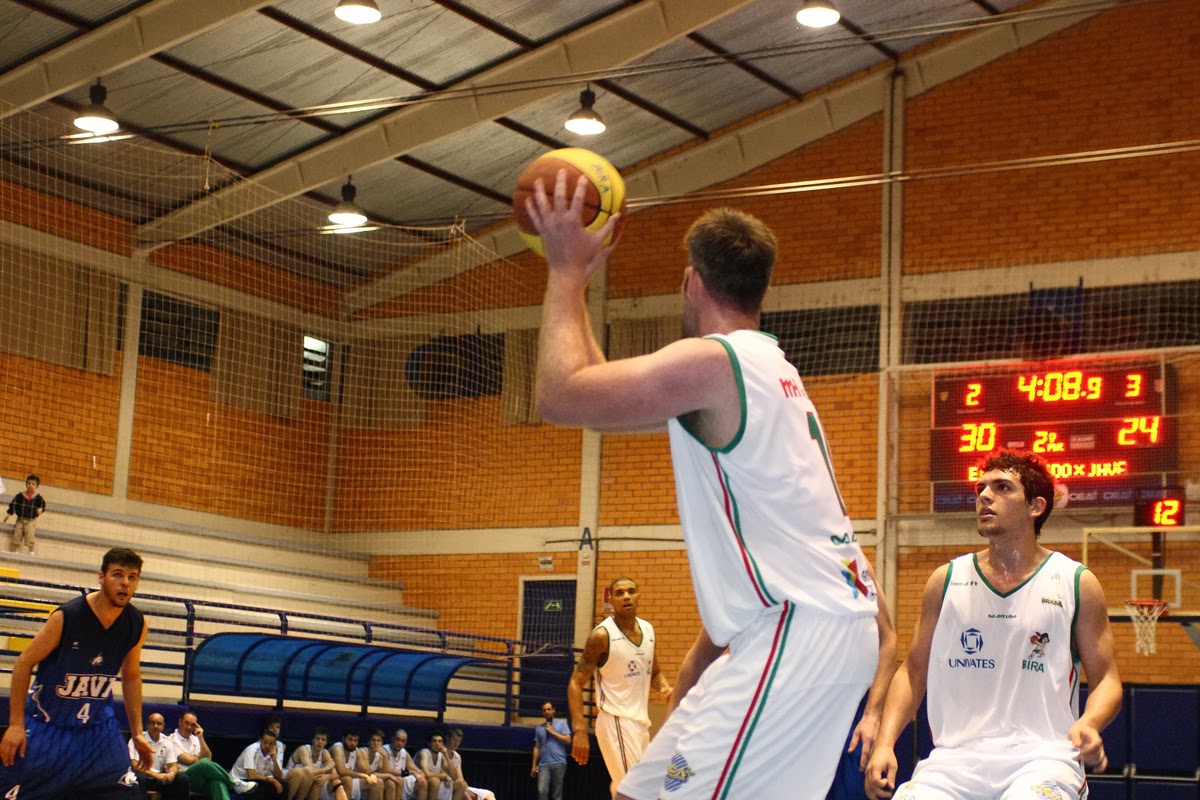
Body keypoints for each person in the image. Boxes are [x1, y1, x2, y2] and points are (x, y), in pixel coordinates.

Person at [528, 179, 881, 800]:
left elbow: (558, 393)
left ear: (691, 281)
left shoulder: (714, 363)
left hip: (796, 634)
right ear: (764, 288)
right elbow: (598, 400)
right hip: (811, 633)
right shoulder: (767, 368)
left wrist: (565, 270)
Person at [864, 450, 1124, 800]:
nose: (985, 496)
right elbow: (913, 671)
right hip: (953, 765)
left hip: (1043, 760)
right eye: (981, 488)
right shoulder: (947, 580)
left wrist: (1089, 723)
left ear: (1036, 507)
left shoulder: (1075, 581)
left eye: (1003, 487)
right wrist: (885, 744)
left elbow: (1107, 678)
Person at [0, 546, 151, 799]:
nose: (125, 583)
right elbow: (23, 664)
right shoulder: (67, 616)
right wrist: (15, 724)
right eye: (117, 575)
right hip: (50, 727)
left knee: (130, 794)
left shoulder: (137, 623)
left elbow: (132, 674)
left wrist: (136, 733)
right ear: (101, 577)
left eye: (132, 577)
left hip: (98, 732)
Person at [566, 577, 671, 794]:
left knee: (626, 789)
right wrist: (579, 730)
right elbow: (575, 683)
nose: (626, 596)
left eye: (631, 591)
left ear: (638, 596)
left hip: (641, 723)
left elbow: (655, 671)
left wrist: (666, 689)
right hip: (616, 722)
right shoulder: (601, 636)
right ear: (611, 600)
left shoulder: (648, 630)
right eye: (620, 593)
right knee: (637, 791)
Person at [170, 711, 256, 799]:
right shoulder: (171, 739)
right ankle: (234, 783)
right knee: (203, 763)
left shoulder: (195, 739)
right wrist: (200, 759)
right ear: (180, 722)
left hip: (200, 780)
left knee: (218, 783)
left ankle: (234, 784)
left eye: (192, 725)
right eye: (186, 723)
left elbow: (208, 758)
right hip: (183, 779)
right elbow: (188, 760)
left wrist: (201, 737)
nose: (188, 727)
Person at [129, 712, 190, 800]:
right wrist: (155, 775)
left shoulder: (167, 741)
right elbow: (134, 765)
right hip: (143, 776)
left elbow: (173, 765)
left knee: (182, 778)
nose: (156, 726)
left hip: (159, 779)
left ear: (163, 726)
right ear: (147, 725)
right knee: (138, 778)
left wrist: (171, 774)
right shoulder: (137, 739)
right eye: (153, 723)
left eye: (159, 724)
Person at [285, 726, 343, 800]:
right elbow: (311, 771)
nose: (320, 742)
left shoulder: (325, 753)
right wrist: (328, 767)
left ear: (326, 743)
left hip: (307, 785)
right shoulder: (304, 750)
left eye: (323, 740)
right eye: (317, 739)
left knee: (327, 781)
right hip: (291, 781)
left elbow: (335, 774)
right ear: (312, 740)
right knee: (309, 773)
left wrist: (326, 777)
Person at [531, 701, 571, 800]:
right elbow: (537, 747)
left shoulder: (562, 723)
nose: (547, 712)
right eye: (544, 710)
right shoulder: (539, 728)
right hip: (543, 764)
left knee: (557, 794)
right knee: (541, 790)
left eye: (549, 709)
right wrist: (533, 765)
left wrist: (553, 732)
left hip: (559, 762)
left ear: (553, 710)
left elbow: (568, 739)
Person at [231, 729, 286, 798]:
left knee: (282, 787)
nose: (267, 746)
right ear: (261, 741)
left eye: (271, 744)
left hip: (257, 780)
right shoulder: (251, 749)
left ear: (274, 744)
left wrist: (274, 760)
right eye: (265, 742)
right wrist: (272, 780)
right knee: (262, 789)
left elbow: (279, 777)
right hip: (240, 780)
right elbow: (251, 775)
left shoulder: (273, 753)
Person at [331, 729, 381, 800]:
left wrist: (372, 775)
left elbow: (364, 768)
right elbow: (341, 771)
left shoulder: (356, 750)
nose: (353, 743)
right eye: (350, 740)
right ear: (343, 739)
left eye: (355, 740)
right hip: (331, 782)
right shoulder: (337, 748)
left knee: (376, 783)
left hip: (348, 781)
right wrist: (363, 775)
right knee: (347, 779)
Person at [444, 729, 494, 800]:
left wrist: (466, 789)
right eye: (454, 740)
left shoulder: (457, 756)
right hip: (448, 786)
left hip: (461, 785)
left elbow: (460, 777)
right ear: (448, 738)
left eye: (459, 741)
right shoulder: (441, 753)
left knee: (489, 794)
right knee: (465, 794)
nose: (456, 743)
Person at [5, 474, 46, 554]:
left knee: (30, 535)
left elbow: (42, 506)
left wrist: (41, 509)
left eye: (33, 484)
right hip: (20, 519)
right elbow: (13, 505)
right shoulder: (20, 496)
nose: (30, 486)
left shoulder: (38, 497)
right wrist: (9, 514)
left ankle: (31, 551)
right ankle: (16, 550)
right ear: (26, 484)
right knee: (17, 534)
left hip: (31, 520)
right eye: (29, 483)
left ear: (37, 486)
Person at [416, 731, 463, 800]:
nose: (437, 744)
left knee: (461, 784)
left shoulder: (441, 755)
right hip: (420, 783)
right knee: (435, 781)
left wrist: (446, 756)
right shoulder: (424, 753)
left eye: (440, 741)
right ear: (429, 743)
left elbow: (454, 776)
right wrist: (444, 776)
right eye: (434, 741)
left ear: (443, 744)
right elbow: (427, 774)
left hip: (434, 784)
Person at [381, 728, 425, 800]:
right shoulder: (384, 750)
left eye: (402, 741)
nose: (399, 743)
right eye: (397, 739)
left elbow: (415, 769)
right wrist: (411, 772)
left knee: (423, 782)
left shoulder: (404, 753)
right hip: (385, 778)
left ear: (405, 743)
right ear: (392, 739)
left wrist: (421, 774)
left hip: (400, 778)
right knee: (391, 783)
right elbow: (388, 771)